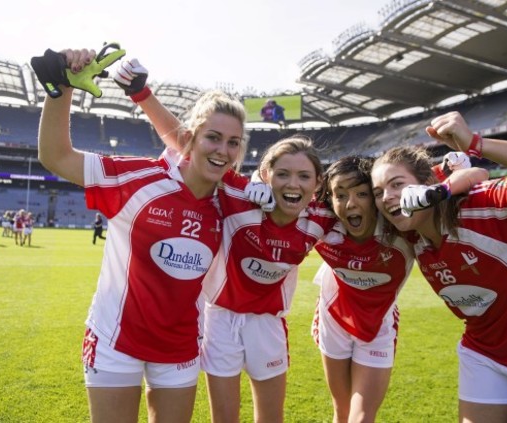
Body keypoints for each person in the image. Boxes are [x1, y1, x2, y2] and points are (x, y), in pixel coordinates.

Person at [114, 58, 339, 423]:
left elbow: (369, 205)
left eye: (303, 176)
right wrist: (142, 94)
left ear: (316, 184)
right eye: (282, 174)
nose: (292, 184)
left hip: (267, 323)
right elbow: (191, 145)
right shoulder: (238, 193)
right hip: (218, 319)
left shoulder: (321, 218)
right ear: (265, 175)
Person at [35, 46, 247, 422]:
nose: (223, 150)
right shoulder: (138, 179)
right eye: (213, 137)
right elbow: (57, 157)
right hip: (116, 342)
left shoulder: (232, 200)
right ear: (192, 136)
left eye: (233, 143)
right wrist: (60, 91)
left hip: (180, 349)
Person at [370, 111, 507, 423]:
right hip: (483, 352)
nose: (388, 197)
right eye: (379, 192)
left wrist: (478, 143)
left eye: (397, 185)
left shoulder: (486, 205)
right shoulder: (406, 233)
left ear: (426, 184)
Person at [311, 154, 487, 422]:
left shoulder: (401, 225)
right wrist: (259, 178)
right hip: (333, 317)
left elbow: (477, 175)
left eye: (362, 193)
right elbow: (284, 190)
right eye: (340, 194)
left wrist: (447, 184)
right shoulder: (321, 222)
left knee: (361, 417)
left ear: (376, 195)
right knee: (341, 411)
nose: (351, 203)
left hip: (378, 324)